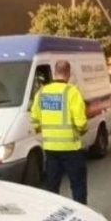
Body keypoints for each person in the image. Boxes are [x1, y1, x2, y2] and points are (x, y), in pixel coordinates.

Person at [30, 60, 89, 204]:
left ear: (55, 72)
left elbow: (34, 118)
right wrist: (82, 130)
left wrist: (43, 129)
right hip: (71, 148)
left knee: (52, 185)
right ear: (68, 73)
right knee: (77, 183)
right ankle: (81, 213)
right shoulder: (72, 92)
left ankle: (53, 212)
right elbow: (81, 122)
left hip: (50, 149)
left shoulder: (42, 92)